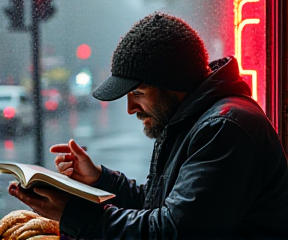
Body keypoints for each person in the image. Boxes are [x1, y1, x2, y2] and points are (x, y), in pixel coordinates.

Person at [8, 12, 288, 239]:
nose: (131, 109)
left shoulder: (225, 129)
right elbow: (161, 206)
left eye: (138, 94)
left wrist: (73, 215)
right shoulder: (194, 122)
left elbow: (175, 232)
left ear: (172, 84)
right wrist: (100, 178)